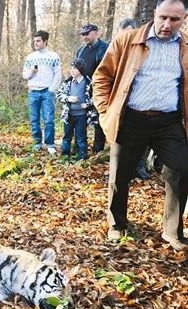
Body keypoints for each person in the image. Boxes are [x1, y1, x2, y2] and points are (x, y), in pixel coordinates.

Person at [93, 0, 188, 250]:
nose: (168, 24)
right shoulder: (127, 40)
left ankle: (172, 232)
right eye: (164, 17)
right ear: (155, 13)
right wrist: (106, 111)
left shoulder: (185, 46)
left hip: (169, 121)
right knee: (120, 175)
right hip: (131, 119)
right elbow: (102, 77)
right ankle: (117, 225)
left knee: (181, 169)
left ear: (185, 18)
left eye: (175, 20)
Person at [117, 18, 151, 180]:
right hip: (120, 107)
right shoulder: (116, 50)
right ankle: (122, 174)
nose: (127, 37)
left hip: (142, 105)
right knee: (121, 144)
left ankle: (141, 167)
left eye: (130, 33)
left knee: (142, 141)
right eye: (123, 34)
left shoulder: (146, 49)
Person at [22, 30, 61, 154]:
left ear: (45, 41)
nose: (36, 43)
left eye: (38, 41)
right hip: (33, 91)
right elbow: (24, 75)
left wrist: (51, 90)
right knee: (34, 119)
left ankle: (50, 143)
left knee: (49, 119)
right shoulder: (30, 57)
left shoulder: (53, 56)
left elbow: (58, 75)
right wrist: (31, 72)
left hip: (46, 92)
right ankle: (37, 142)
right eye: (34, 41)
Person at [56, 58, 98, 160]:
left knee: (81, 137)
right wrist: (68, 98)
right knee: (67, 136)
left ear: (80, 69)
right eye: (71, 68)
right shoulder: (67, 83)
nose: (72, 70)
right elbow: (58, 95)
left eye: (74, 68)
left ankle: (82, 157)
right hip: (69, 114)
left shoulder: (89, 83)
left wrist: (88, 104)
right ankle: (65, 155)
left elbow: (97, 97)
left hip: (82, 115)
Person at [76, 24, 109, 153]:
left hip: (99, 90)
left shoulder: (105, 49)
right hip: (83, 90)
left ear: (96, 33)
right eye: (83, 34)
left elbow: (108, 70)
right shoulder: (81, 50)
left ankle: (97, 150)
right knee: (80, 118)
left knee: (98, 120)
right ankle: (80, 147)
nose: (84, 37)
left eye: (87, 34)